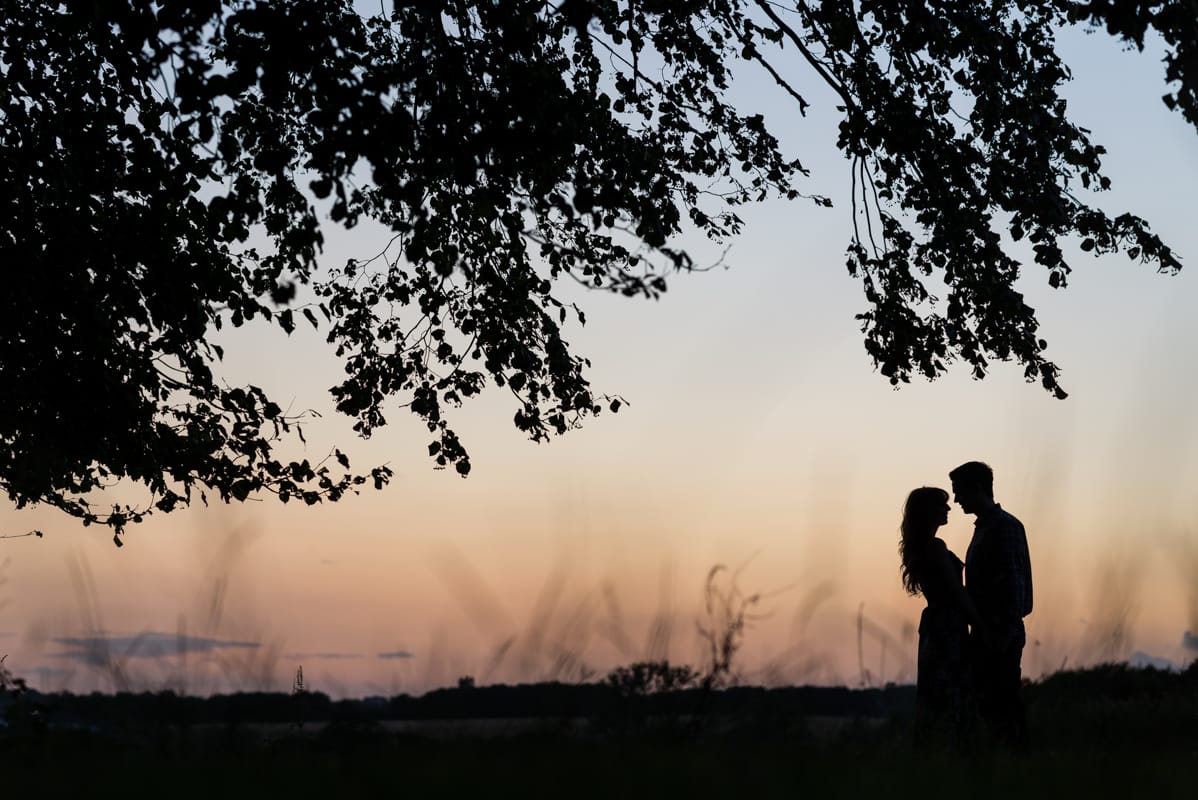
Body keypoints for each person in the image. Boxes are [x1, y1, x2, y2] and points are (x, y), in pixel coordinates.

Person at [950, 460, 1032, 751]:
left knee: (1005, 704)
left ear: (978, 488)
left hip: (999, 633)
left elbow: (1016, 586)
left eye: (959, 492)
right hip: (986, 632)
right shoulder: (985, 528)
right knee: (988, 706)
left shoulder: (1005, 526)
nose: (956, 499)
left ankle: (1018, 765)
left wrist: (1001, 633)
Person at [899, 486, 985, 746]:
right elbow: (956, 592)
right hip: (947, 625)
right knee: (952, 690)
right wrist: (980, 625)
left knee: (935, 693)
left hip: (936, 624)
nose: (949, 509)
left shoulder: (921, 546)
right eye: (942, 505)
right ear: (928, 512)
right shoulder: (935, 547)